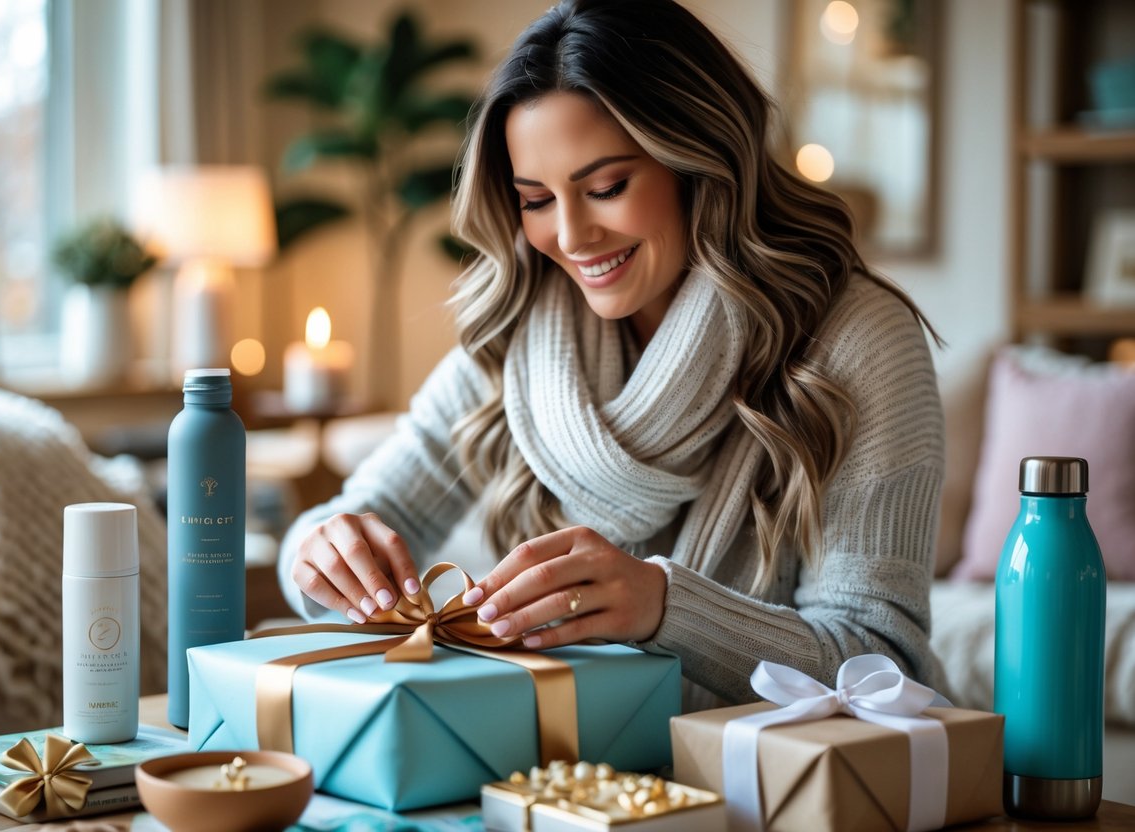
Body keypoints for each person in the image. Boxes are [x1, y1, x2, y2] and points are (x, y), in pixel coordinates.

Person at [279, 0, 948, 709]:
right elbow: (332, 535)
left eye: (604, 188)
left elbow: (884, 666)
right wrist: (322, 551)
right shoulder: (521, 336)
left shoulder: (859, 341)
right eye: (535, 199)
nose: (570, 236)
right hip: (571, 779)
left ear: (699, 160)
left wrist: (665, 608)